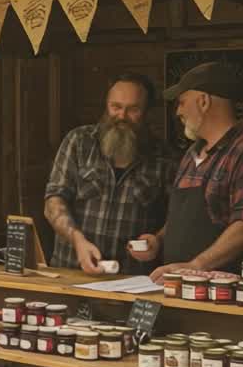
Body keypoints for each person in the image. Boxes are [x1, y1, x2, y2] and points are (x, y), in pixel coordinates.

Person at [129, 62, 243, 280]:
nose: (178, 111)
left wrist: (196, 265)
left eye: (182, 102)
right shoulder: (192, 153)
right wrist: (159, 240)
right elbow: (182, 219)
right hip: (177, 285)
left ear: (203, 101)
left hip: (221, 294)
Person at [44, 73, 175, 275]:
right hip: (72, 272)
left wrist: (158, 240)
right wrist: (78, 240)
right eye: (116, 107)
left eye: (133, 109)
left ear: (146, 112)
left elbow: (177, 216)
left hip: (132, 278)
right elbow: (53, 201)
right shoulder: (79, 142)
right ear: (106, 106)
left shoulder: (164, 157)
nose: (122, 116)